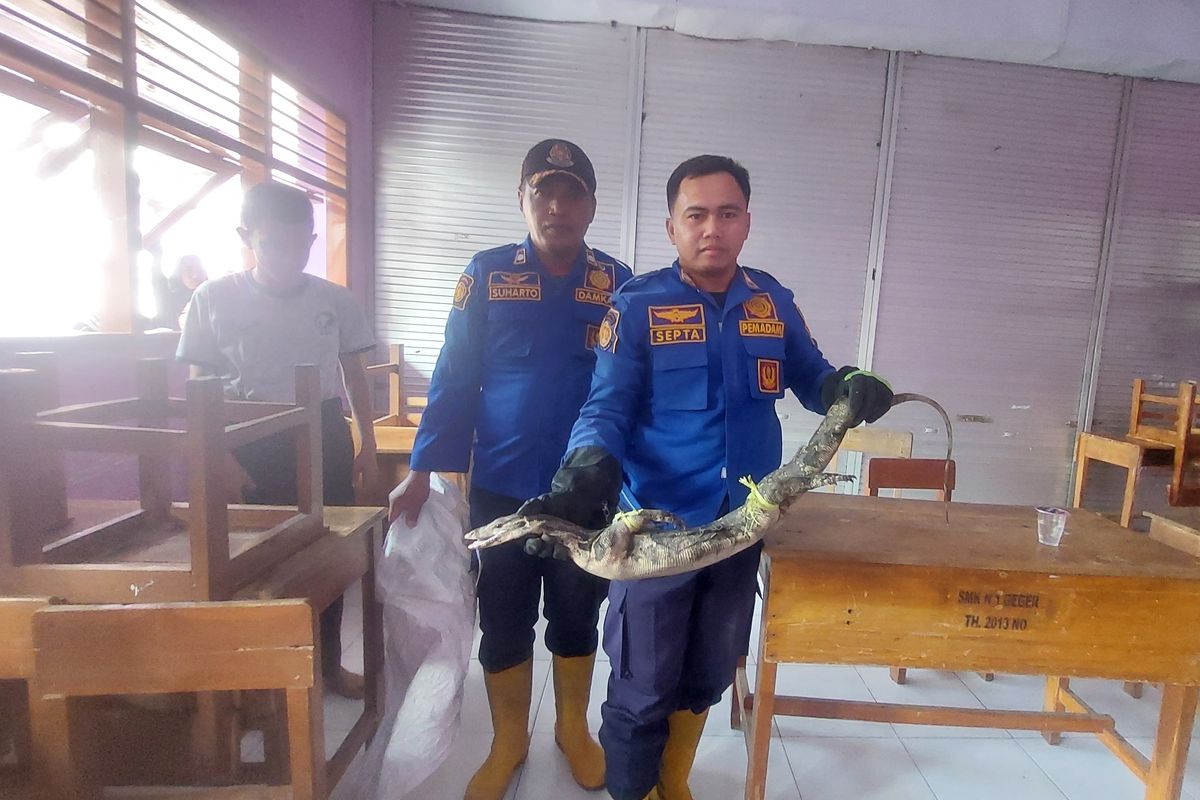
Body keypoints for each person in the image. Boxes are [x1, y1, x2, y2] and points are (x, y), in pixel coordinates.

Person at [520, 155, 894, 800]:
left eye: (727, 213)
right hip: (661, 533)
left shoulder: (771, 301)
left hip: (742, 523)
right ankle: (633, 790)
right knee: (642, 683)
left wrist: (847, 385)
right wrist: (582, 476)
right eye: (696, 215)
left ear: (746, 221)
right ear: (672, 228)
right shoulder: (637, 305)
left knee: (708, 671)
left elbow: (812, 375)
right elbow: (606, 404)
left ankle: (675, 782)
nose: (711, 229)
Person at [389, 139, 633, 800]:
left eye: (571, 192)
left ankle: (572, 731)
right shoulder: (488, 273)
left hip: (588, 492)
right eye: (542, 191)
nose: (557, 206)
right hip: (500, 484)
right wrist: (420, 470)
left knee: (579, 614)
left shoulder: (617, 282)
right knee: (504, 615)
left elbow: (631, 388)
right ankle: (508, 741)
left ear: (590, 204)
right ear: (522, 199)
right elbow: (454, 376)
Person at [176, 180, 379, 699]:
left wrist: (367, 444)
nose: (291, 256)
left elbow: (354, 373)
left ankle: (328, 668)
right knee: (256, 560)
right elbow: (198, 385)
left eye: (301, 243)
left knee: (327, 555)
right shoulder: (212, 298)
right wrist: (219, 455)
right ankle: (260, 683)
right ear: (247, 236)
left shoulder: (334, 301)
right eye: (275, 244)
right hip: (248, 443)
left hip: (324, 433)